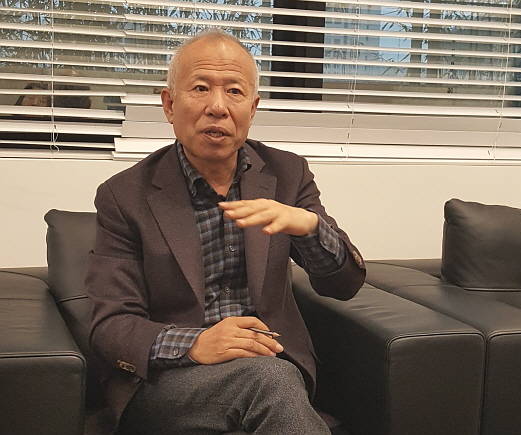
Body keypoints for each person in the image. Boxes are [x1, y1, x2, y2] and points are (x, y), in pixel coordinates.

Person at [85, 29, 366, 435]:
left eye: (234, 91)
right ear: (169, 104)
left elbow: (344, 285)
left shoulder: (287, 174)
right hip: (170, 383)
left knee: (271, 378)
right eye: (200, 88)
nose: (217, 107)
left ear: (252, 108)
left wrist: (309, 227)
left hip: (274, 367)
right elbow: (110, 325)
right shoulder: (124, 195)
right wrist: (195, 344)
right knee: (270, 379)